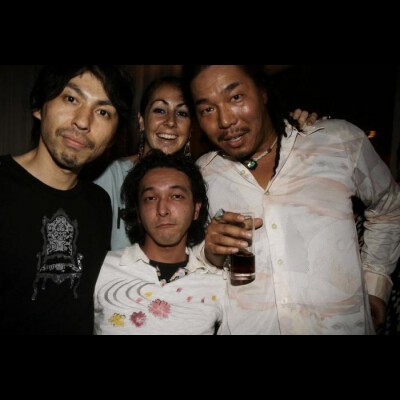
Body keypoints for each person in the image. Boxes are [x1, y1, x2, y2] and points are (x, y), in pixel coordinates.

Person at [182, 65, 400, 335]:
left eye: (235, 97)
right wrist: (210, 253)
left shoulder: (338, 142)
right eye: (207, 109)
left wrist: (376, 283)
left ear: (263, 91)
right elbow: (190, 266)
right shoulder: (203, 174)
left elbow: (390, 208)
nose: (225, 120)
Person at [95, 75, 318, 251]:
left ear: (192, 127)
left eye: (182, 113)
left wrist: (290, 128)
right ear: (142, 120)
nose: (170, 122)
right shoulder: (109, 176)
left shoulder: (206, 175)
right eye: (160, 110)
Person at [0, 65, 135, 334]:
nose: (83, 121)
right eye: (71, 98)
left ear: (113, 137)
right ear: (39, 106)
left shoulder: (99, 203)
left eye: (103, 112)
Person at [94, 150, 225, 335]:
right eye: (151, 198)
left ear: (196, 210)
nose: (162, 210)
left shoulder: (218, 283)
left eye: (176, 196)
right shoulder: (99, 270)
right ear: (138, 213)